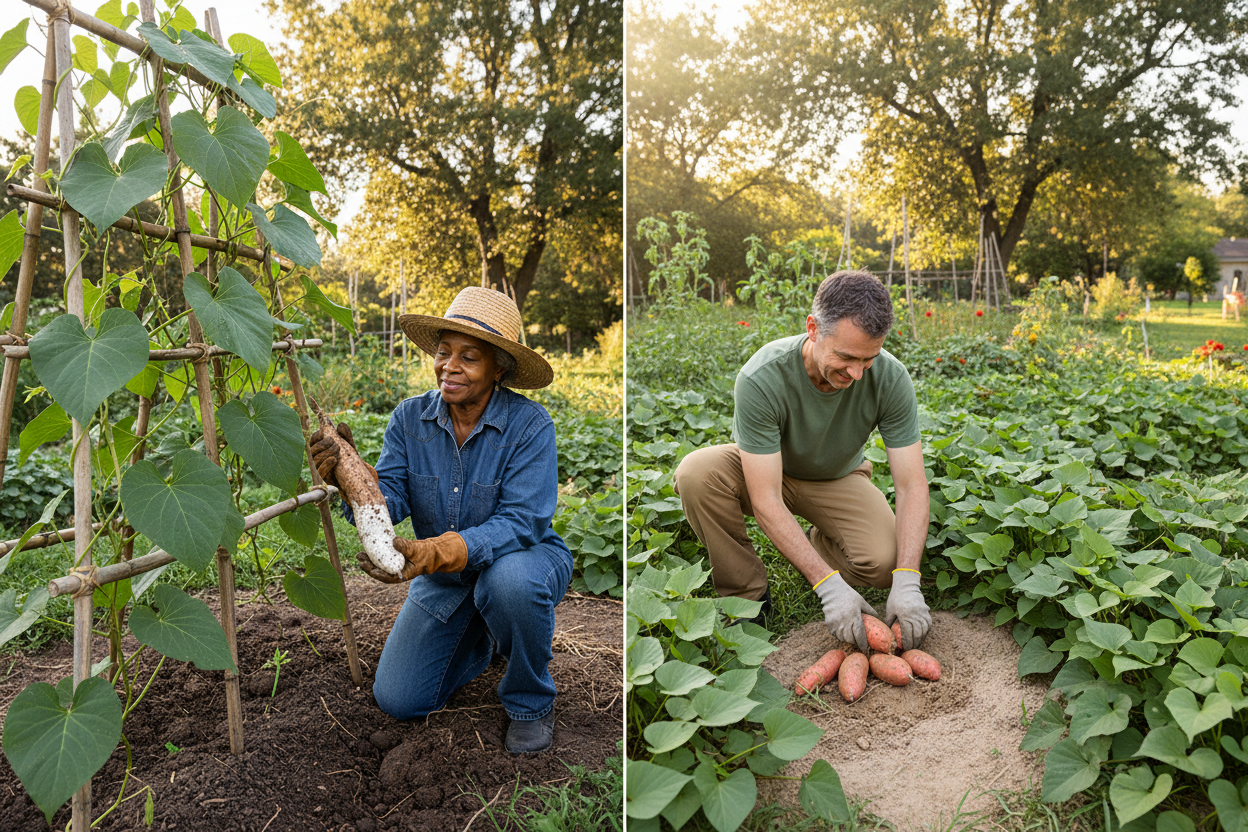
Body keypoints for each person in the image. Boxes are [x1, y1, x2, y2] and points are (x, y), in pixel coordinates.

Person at [310, 286, 572, 754]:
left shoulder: (530, 425)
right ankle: (484, 638)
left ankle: (530, 700)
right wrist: (351, 481)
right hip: (447, 582)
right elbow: (392, 501)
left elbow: (521, 522)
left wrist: (438, 550)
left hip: (524, 561)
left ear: (499, 369)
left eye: (469, 358)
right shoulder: (409, 419)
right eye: (444, 353)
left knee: (508, 585)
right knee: (399, 698)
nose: (449, 366)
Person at [673, 271, 932, 652]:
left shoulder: (891, 379)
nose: (857, 373)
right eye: (845, 357)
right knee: (696, 473)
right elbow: (765, 498)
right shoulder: (763, 376)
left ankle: (820, 543)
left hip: (837, 477)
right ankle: (746, 596)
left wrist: (907, 578)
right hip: (764, 473)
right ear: (813, 329)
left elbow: (912, 484)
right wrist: (827, 587)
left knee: (884, 564)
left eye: (868, 359)